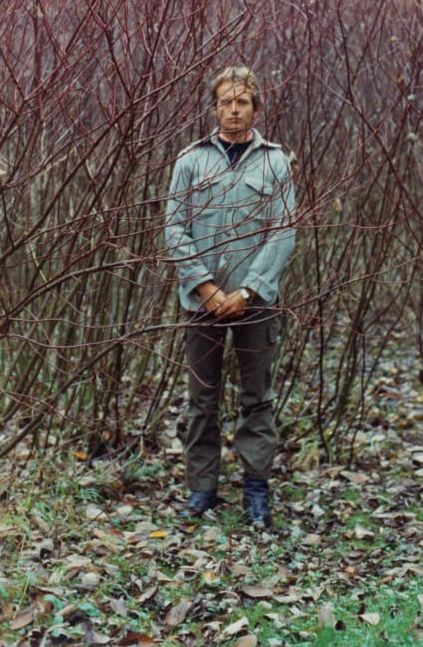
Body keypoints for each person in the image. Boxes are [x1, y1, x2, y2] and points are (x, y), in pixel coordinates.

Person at [165, 65, 296, 527]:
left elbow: (283, 232)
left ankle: (256, 491)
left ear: (256, 107)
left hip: (254, 303)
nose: (234, 110)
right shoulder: (191, 161)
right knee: (202, 398)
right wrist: (207, 287)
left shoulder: (275, 162)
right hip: (200, 303)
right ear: (214, 107)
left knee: (256, 397)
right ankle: (202, 489)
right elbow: (174, 229)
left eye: (242, 102)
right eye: (226, 102)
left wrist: (245, 290)